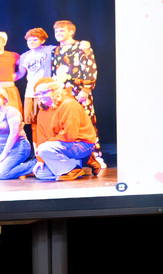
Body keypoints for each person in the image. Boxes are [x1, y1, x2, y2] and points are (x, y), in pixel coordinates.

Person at [52, 20, 103, 172]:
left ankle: (95, 154)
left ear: (70, 32)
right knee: (66, 123)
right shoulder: (56, 50)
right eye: (56, 32)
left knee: (86, 121)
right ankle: (71, 157)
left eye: (62, 31)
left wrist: (86, 89)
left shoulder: (81, 47)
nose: (58, 34)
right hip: (62, 93)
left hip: (79, 90)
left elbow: (90, 68)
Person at [31, 78, 98, 181]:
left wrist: (45, 147)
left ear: (55, 91)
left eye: (44, 92)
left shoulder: (68, 104)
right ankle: (80, 162)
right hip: (59, 145)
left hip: (81, 144)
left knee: (44, 148)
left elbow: (70, 135)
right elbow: (41, 137)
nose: (41, 96)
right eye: (38, 94)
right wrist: (40, 159)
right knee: (41, 174)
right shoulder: (42, 111)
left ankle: (74, 169)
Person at [0, 88, 35, 180]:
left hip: (18, 147)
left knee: (3, 174)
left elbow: (14, 134)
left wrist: (4, 154)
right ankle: (13, 166)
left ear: (4, 100)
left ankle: (34, 164)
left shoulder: (11, 111)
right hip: (1, 148)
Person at [17, 28, 56, 146]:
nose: (31, 42)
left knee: (49, 121)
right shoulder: (24, 56)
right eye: (29, 40)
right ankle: (37, 150)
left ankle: (50, 148)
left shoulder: (50, 50)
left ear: (42, 40)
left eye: (35, 40)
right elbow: (20, 73)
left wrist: (83, 44)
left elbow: (66, 47)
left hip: (46, 92)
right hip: (30, 92)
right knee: (34, 123)